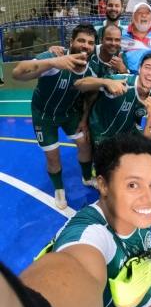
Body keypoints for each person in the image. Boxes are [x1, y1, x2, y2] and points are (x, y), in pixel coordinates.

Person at [7, 134, 151, 307]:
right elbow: (74, 268)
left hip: (133, 283)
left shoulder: (133, 211)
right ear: (102, 185)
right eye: (133, 185)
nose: (150, 197)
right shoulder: (90, 235)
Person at [11, 24, 99, 210]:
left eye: (90, 42)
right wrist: (50, 63)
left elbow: (92, 93)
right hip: (44, 116)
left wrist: (84, 119)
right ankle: (59, 188)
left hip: (68, 114)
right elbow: (17, 73)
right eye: (81, 40)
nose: (85, 45)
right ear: (71, 42)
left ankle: (87, 177)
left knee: (85, 143)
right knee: (53, 157)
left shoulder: (92, 69)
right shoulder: (53, 58)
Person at [74, 53, 151, 147]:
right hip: (102, 133)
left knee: (150, 148)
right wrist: (105, 82)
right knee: (110, 159)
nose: (150, 73)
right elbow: (78, 84)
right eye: (147, 67)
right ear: (139, 69)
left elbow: (147, 140)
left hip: (127, 133)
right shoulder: (122, 81)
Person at [121, 3, 151, 75]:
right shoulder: (123, 35)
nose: (144, 15)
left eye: (147, 13)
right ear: (133, 17)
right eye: (139, 12)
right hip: (129, 77)